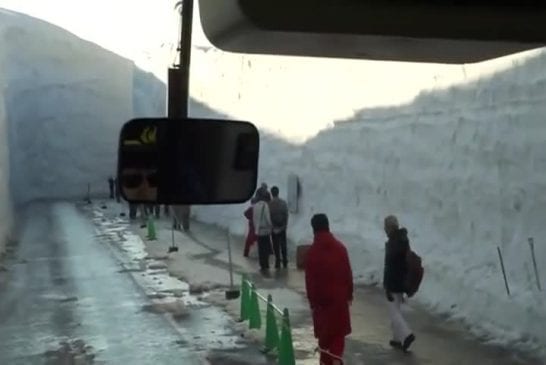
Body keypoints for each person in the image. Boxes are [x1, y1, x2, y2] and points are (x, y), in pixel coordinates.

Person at [305, 214, 353, 365]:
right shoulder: (340, 248)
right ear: (328, 226)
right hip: (339, 301)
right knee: (338, 336)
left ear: (314, 229)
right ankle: (336, 359)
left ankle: (326, 362)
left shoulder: (312, 253)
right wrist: (349, 294)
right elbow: (348, 274)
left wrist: (312, 302)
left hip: (322, 304)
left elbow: (310, 282)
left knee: (325, 340)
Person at [383, 215, 415, 352]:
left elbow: (389, 267)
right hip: (401, 281)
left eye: (385, 227)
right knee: (395, 308)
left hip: (394, 282)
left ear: (389, 228)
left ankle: (407, 334)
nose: (384, 229)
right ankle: (397, 338)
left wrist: (387, 286)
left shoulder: (393, 243)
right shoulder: (403, 240)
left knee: (393, 312)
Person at [269, 186, 289, 268]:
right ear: (278, 192)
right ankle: (284, 261)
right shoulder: (283, 203)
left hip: (273, 227)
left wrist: (272, 226)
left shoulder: (269, 204)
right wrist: (285, 225)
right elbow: (286, 214)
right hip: (282, 227)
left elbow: (268, 216)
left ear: (271, 193)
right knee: (283, 244)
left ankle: (277, 261)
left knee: (276, 245)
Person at [252, 190, 272, 272]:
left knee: (260, 248)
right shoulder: (265, 205)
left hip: (258, 230)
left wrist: (256, 227)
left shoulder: (255, 206)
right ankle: (266, 263)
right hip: (265, 230)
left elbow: (254, 218)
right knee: (266, 247)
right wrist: (271, 225)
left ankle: (261, 264)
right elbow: (268, 218)